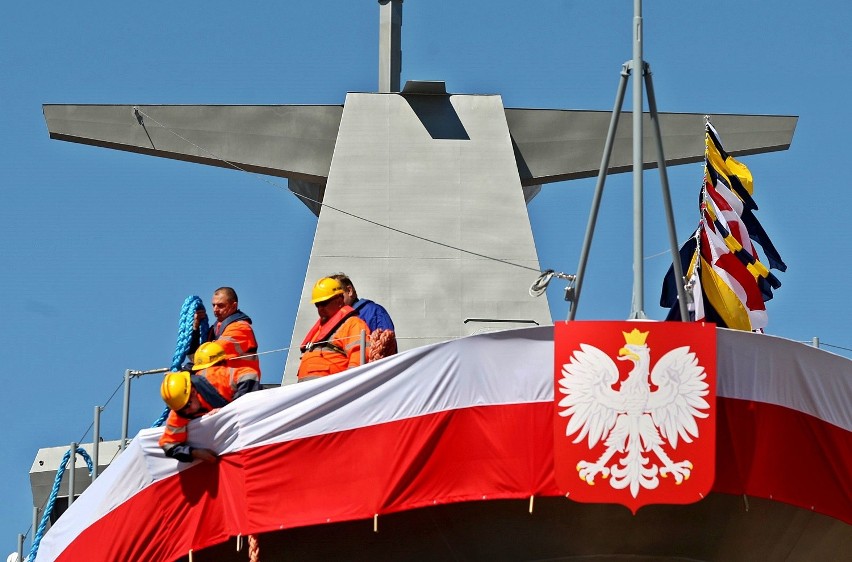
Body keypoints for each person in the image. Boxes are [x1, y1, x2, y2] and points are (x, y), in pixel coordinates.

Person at [159, 341, 261, 462]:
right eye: (182, 411)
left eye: (188, 405)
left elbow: (249, 374)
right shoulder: (181, 408)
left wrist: (226, 411)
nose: (187, 412)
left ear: (193, 392)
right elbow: (168, 444)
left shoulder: (216, 378)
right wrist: (194, 453)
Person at [297, 277, 370, 381]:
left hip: (333, 392)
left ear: (339, 300)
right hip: (306, 393)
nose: (320, 308)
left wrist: (350, 387)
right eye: (317, 304)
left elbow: (359, 359)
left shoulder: (353, 324)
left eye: (324, 303)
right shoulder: (318, 331)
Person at [189, 287, 260, 374]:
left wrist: (188, 368)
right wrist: (195, 328)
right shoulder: (214, 331)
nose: (215, 309)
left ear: (234, 306)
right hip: (217, 381)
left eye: (220, 305)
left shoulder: (241, 328)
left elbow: (211, 354)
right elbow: (194, 357)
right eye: (213, 305)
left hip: (238, 383)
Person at [330, 273, 398, 359]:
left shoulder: (374, 312)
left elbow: (386, 348)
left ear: (349, 291)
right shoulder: (333, 322)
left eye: (336, 297)